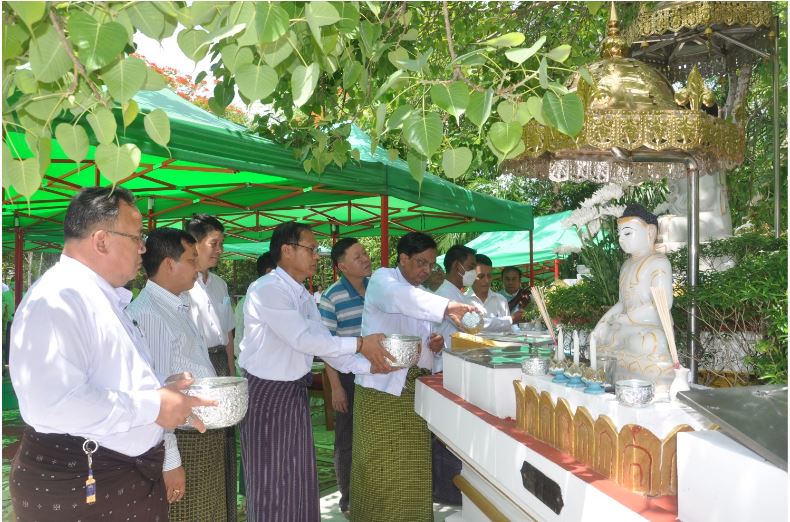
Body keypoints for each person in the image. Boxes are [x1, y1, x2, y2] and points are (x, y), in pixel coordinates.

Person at [8, 186, 215, 522]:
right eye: (136, 237)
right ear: (102, 240)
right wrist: (154, 404)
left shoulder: (100, 296)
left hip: (116, 478)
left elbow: (109, 380)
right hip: (84, 482)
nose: (143, 248)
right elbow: (55, 403)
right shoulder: (58, 299)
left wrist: (161, 390)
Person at [238, 222, 395, 522]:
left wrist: (373, 365)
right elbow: (303, 339)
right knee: (272, 481)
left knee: (298, 478)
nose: (316, 256)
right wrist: (362, 344)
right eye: (311, 249)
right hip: (266, 396)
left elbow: (325, 346)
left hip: (293, 393)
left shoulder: (301, 295)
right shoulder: (267, 289)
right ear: (287, 250)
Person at [351, 232, 477, 522]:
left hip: (414, 392)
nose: (426, 270)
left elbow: (421, 335)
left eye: (431, 265)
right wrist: (447, 306)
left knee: (413, 472)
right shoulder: (384, 280)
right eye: (421, 262)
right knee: (381, 471)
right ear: (403, 258)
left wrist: (434, 345)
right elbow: (400, 300)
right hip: (382, 394)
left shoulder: (421, 293)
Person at [127, 228, 227, 521]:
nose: (197, 267)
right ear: (169, 264)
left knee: (208, 509)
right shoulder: (150, 313)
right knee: (188, 513)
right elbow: (159, 396)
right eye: (191, 259)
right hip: (181, 436)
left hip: (196, 429)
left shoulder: (176, 304)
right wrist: (171, 461)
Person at [184, 213, 237, 521]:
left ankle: (224, 510)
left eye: (221, 244)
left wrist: (231, 373)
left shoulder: (219, 285)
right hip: (193, 368)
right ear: (194, 244)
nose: (219, 250)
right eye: (214, 243)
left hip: (220, 365)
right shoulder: (180, 284)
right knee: (198, 441)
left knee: (224, 442)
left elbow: (227, 334)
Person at [591, 204, 675, 394]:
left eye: (627, 233)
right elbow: (622, 303)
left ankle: (651, 379)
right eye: (619, 234)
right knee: (603, 338)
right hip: (626, 328)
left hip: (649, 326)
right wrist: (602, 323)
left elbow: (662, 304)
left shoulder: (658, 262)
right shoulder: (626, 266)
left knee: (653, 342)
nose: (621, 239)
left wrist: (629, 319)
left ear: (650, 232)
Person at [318, 238, 372, 517]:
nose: (366, 258)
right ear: (342, 266)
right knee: (347, 438)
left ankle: (373, 493)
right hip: (347, 376)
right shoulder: (332, 297)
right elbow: (326, 346)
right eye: (358, 256)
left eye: (365, 253)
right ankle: (349, 500)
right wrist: (336, 387)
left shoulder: (377, 290)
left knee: (373, 435)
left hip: (376, 374)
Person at [234, 251, 276, 370]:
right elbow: (239, 340)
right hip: (254, 369)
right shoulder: (249, 301)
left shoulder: (277, 300)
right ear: (269, 272)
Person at [433, 244, 478, 349]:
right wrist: (510, 319)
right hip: (448, 357)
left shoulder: (458, 294)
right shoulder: (444, 295)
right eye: (471, 267)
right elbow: (474, 325)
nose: (474, 273)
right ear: (457, 266)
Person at [467, 254, 519, 331]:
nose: (486, 280)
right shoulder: (463, 300)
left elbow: (507, 331)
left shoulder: (501, 300)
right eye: (481, 276)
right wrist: (510, 320)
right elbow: (470, 327)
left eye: (489, 276)